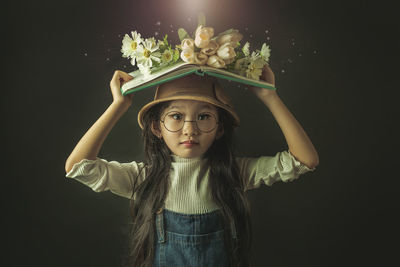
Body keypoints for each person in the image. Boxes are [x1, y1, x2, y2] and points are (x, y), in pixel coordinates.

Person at [65, 65, 319, 267]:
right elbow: (78, 166)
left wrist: (269, 95)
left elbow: (305, 160)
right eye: (176, 116)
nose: (190, 129)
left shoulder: (235, 174)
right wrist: (117, 105)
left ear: (220, 128)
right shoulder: (144, 178)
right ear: (156, 127)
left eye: (204, 116)